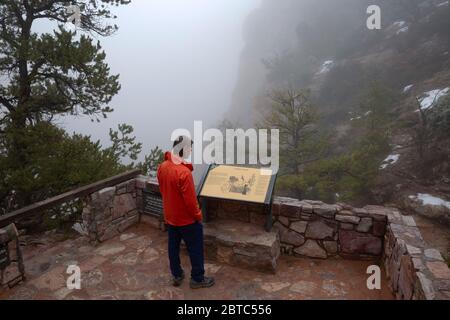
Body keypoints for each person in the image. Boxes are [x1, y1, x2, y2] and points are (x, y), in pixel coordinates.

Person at [157, 136, 215, 289]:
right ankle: (197, 278)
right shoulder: (184, 173)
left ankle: (176, 274)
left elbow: (163, 189)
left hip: (171, 217)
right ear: (183, 149)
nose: (190, 151)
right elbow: (191, 202)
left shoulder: (163, 167)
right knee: (195, 248)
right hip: (187, 220)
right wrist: (198, 215)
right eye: (189, 148)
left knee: (173, 247)